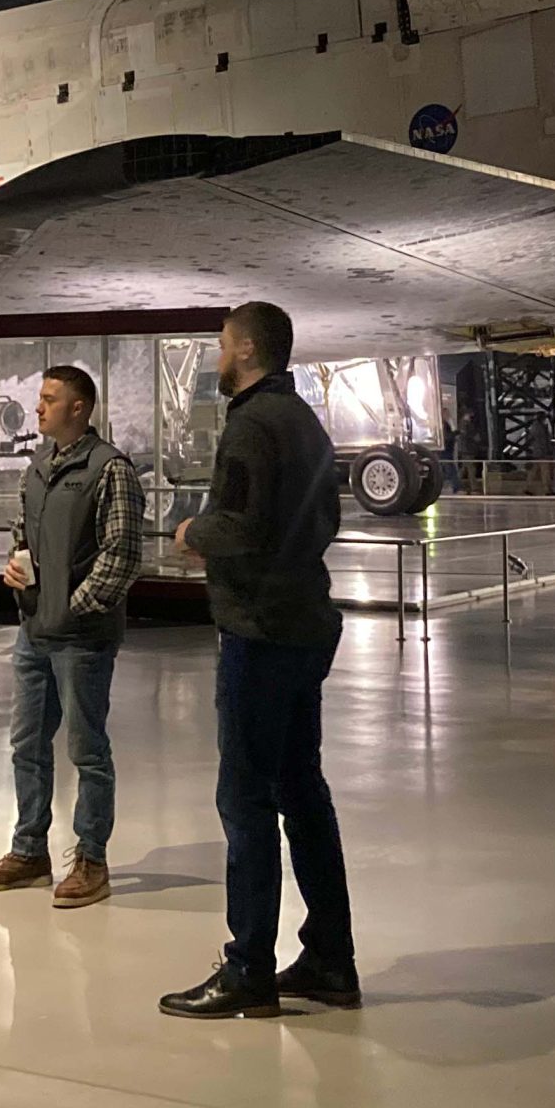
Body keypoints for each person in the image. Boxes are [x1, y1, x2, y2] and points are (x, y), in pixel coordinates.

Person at [161, 302, 356, 1020]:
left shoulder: (250, 423)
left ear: (245, 349)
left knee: (245, 799)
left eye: (221, 344)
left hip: (261, 628)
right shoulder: (304, 420)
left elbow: (241, 521)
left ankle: (249, 968)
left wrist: (194, 532)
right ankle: (331, 958)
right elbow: (322, 518)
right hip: (305, 622)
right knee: (302, 791)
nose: (216, 356)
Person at [0, 364, 142, 911]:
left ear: (78, 408)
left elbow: (121, 555)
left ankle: (92, 858)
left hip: (82, 639)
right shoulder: (37, 469)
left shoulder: (110, 470)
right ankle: (29, 852)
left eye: (49, 398)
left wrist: (72, 608)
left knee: (87, 750)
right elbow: (25, 536)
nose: (38, 407)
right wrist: (17, 570)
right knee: (27, 744)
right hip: (34, 632)